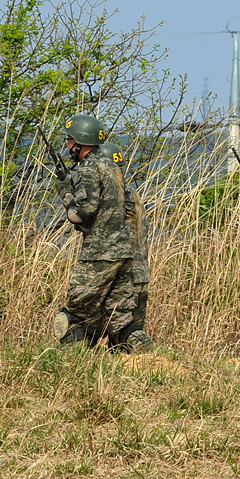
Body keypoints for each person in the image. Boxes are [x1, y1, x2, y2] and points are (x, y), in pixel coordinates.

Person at [51, 114, 138, 348]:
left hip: (98, 253)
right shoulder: (112, 166)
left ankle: (69, 362)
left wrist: (66, 193)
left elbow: (80, 214)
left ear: (80, 141)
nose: (67, 145)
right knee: (120, 317)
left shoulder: (88, 168)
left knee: (74, 313)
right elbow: (128, 207)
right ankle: (145, 355)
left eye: (69, 139)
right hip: (123, 251)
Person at [99, 141, 152, 352]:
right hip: (141, 277)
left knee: (117, 335)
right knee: (124, 346)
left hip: (123, 278)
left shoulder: (113, 198)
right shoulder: (132, 194)